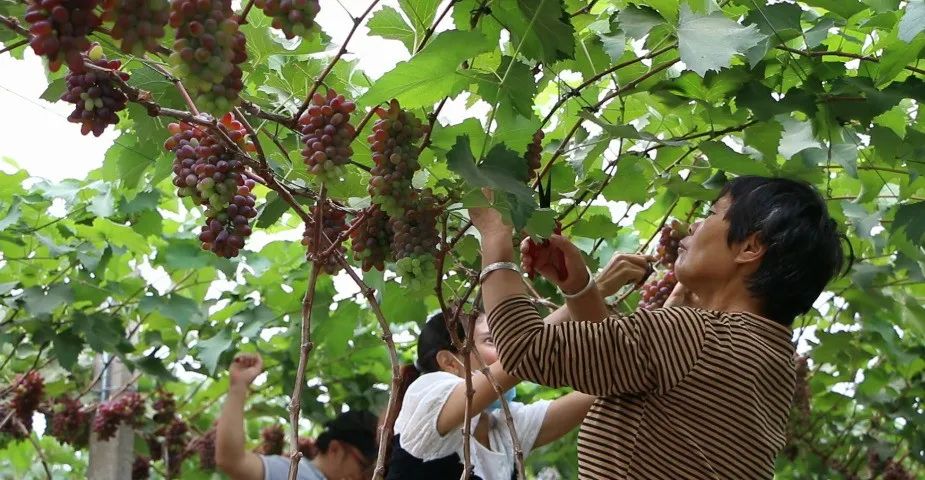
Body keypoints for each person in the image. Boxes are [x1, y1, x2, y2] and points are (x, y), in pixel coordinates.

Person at [470, 176, 847, 479]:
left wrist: (494, 237)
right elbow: (628, 375)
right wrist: (580, 288)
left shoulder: (696, 336)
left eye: (712, 213)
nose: (695, 225)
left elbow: (522, 348)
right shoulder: (772, 362)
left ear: (749, 248)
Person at [386, 253, 653, 480]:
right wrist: (590, 288)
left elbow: (608, 387)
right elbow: (525, 351)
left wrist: (668, 324)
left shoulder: (502, 427)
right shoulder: (427, 393)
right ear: (449, 363)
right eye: (492, 341)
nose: (506, 349)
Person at [216, 352, 378, 480]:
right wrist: (238, 387)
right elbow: (232, 460)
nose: (365, 476)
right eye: (363, 466)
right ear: (335, 449)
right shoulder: (291, 472)